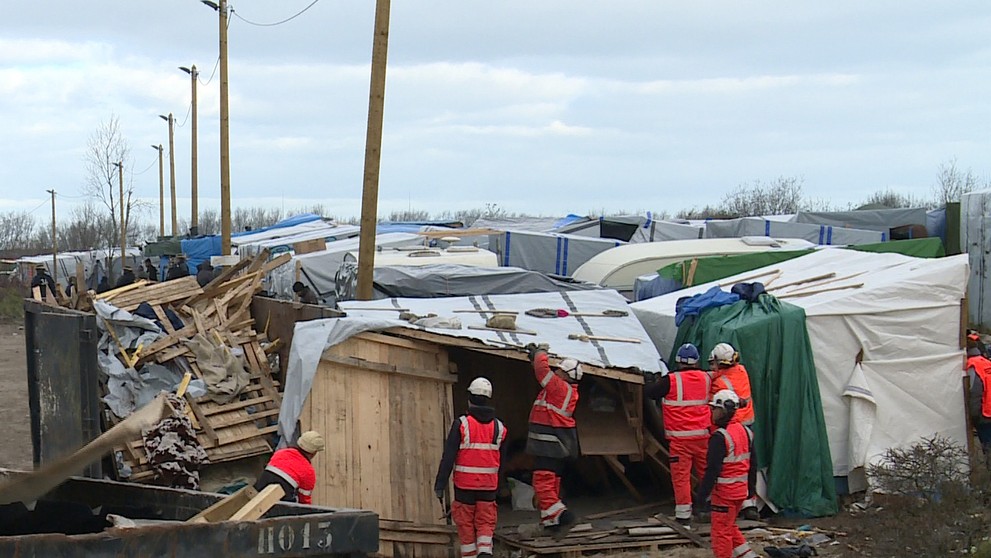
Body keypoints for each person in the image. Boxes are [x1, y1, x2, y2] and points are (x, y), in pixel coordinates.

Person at [434, 378, 507, 558]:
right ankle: (485, 550)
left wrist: (440, 485)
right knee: (485, 520)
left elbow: (448, 457)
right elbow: (502, 461)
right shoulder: (500, 427)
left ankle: (470, 555)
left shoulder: (462, 424)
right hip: (488, 486)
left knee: (465, 522)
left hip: (464, 486)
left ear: (469, 398)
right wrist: (500, 485)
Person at [644, 343, 711, 527]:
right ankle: (708, 509)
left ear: (678, 362)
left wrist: (649, 379)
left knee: (681, 477)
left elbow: (650, 393)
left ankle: (683, 516)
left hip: (680, 440)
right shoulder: (706, 378)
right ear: (697, 361)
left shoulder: (670, 380)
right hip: (703, 437)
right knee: (707, 473)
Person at [524, 343, 582, 536]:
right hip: (557, 445)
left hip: (550, 445)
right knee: (552, 484)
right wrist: (534, 358)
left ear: (566, 374)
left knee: (542, 483)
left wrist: (540, 352)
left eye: (560, 370)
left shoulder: (559, 388)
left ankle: (563, 515)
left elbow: (542, 371)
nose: (556, 372)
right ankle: (551, 523)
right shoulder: (565, 391)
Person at [695, 389, 759, 558]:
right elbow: (753, 465)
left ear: (724, 410)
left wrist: (701, 497)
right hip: (740, 492)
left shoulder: (719, 437)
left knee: (721, 534)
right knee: (729, 526)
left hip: (725, 495)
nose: (712, 413)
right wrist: (750, 491)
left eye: (715, 409)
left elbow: (712, 470)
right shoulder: (745, 432)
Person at [708, 342, 759, 518]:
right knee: (747, 465)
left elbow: (714, 403)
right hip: (747, 424)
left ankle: (728, 502)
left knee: (729, 467)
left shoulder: (719, 382)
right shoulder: (742, 371)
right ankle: (749, 503)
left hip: (732, 425)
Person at [254, 431, 325, 505]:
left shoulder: (281, 452)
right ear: (314, 452)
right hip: (282, 500)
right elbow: (304, 500)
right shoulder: (308, 471)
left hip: (259, 491)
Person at [966, 333, 991, 461]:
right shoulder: (986, 362)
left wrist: (973, 416)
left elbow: (975, 392)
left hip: (985, 414)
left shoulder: (972, 366)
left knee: (988, 448)